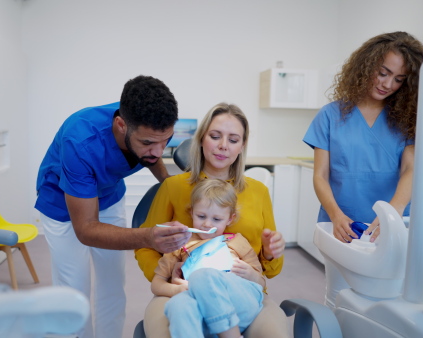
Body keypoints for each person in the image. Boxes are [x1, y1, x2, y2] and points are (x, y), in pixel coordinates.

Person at [35, 75, 192, 338]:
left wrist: (169, 185)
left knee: (112, 284)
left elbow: (151, 153)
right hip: (62, 206)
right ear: (121, 125)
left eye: (165, 140)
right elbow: (86, 229)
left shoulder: (143, 125)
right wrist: (148, 236)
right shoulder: (81, 142)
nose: (158, 150)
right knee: (74, 289)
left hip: (109, 195)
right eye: (147, 143)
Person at [135, 103, 287, 338]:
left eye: (233, 140)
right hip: (181, 289)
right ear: (202, 138)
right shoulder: (172, 187)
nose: (223, 146)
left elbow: (269, 271)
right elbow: (146, 245)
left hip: (240, 289)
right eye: (215, 136)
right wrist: (168, 276)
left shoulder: (259, 192)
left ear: (242, 146)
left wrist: (270, 253)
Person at [302, 31, 423, 309]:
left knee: (387, 303)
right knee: (339, 296)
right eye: (383, 72)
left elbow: (410, 169)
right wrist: (336, 215)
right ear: (366, 66)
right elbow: (320, 176)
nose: (387, 84)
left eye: (399, 79)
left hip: (391, 226)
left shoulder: (406, 120)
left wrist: (392, 213)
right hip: (341, 224)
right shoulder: (330, 115)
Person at [153, 178, 265, 338]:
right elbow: (157, 283)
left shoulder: (236, 241)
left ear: (230, 219)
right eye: (201, 216)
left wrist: (251, 274)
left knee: (203, 275)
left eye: (216, 219)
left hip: (239, 302)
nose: (207, 224)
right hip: (202, 310)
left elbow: (261, 283)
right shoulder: (180, 244)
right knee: (178, 305)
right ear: (191, 212)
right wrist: (177, 289)